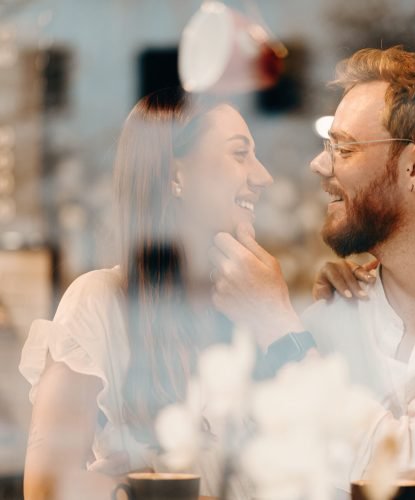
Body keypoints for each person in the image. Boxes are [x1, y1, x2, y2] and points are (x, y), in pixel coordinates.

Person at [209, 46, 415, 495]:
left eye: (343, 147)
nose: (318, 164)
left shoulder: (298, 342)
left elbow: (403, 467)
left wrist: (281, 332)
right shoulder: (328, 319)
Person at [19, 89, 273, 500]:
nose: (263, 176)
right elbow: (47, 486)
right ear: (176, 175)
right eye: (240, 154)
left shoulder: (249, 307)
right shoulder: (100, 302)